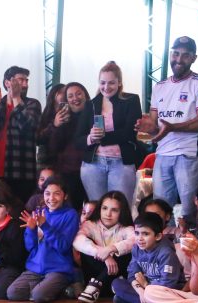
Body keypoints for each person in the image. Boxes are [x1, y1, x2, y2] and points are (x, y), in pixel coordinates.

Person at [135, 36, 198, 221]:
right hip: (163, 154)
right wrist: (147, 127)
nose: (179, 59)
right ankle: (163, 247)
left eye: (185, 55)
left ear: (194, 58)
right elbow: (156, 127)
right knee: (160, 209)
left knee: (190, 208)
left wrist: (172, 127)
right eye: (176, 54)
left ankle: (191, 246)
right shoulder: (159, 86)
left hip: (190, 154)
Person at [76, 61, 142, 204]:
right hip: (93, 165)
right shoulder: (90, 104)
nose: (106, 87)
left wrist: (103, 137)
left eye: (111, 83)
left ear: (119, 83)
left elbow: (129, 133)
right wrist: (91, 138)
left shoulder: (131, 100)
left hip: (121, 163)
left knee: (120, 208)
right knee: (97, 209)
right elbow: (78, 139)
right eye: (103, 83)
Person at [7, 176, 79, 303]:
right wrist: (30, 229)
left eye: (57, 194)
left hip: (58, 269)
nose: (51, 198)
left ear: (65, 196)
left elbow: (63, 246)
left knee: (39, 296)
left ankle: (66, 287)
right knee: (13, 293)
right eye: (47, 194)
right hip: (36, 268)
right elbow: (30, 247)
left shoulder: (70, 214)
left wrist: (45, 226)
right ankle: (43, 288)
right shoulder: (38, 211)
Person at [0, 66, 42, 201]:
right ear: (7, 83)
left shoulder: (32, 104)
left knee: (19, 212)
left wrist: (16, 98)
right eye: (21, 80)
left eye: (27, 81)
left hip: (21, 170)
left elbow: (29, 127)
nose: (25, 84)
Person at [111, 212, 184, 303]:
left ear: (158, 236)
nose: (139, 238)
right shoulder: (136, 248)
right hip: (146, 289)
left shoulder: (166, 253)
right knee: (117, 283)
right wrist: (141, 292)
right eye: (137, 233)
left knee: (119, 297)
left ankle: (137, 301)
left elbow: (167, 285)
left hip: (167, 292)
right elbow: (132, 273)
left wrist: (146, 285)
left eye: (145, 234)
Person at [73, 191, 135, 303]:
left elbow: (134, 240)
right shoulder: (90, 224)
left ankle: (99, 284)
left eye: (114, 210)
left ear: (122, 212)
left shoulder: (126, 228)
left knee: (126, 251)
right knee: (87, 245)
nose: (108, 214)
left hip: (115, 278)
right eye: (105, 208)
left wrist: (111, 249)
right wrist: (105, 255)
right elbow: (77, 241)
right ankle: (95, 285)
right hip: (92, 278)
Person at [37, 82, 90, 209]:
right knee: (72, 205)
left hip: (91, 167)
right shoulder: (63, 118)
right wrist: (56, 126)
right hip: (68, 170)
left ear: (85, 95)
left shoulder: (94, 115)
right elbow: (52, 145)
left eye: (78, 94)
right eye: (70, 96)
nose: (75, 98)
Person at [36, 83, 65, 166]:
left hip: (65, 159)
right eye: (61, 92)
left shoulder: (70, 113)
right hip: (46, 159)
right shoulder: (45, 115)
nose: (64, 95)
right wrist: (54, 125)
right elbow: (38, 139)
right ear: (54, 94)